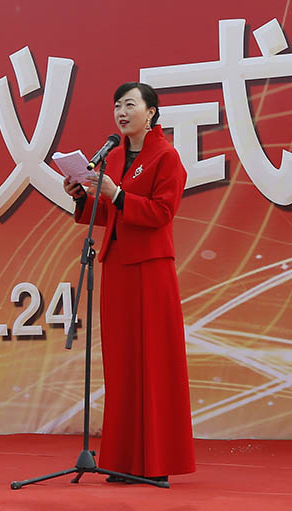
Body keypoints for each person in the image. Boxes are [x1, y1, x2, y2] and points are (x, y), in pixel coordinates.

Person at [63, 82, 195, 482]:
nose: (121, 112)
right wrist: (82, 198)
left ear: (151, 111)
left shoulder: (166, 156)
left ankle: (155, 464)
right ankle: (122, 461)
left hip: (151, 268)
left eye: (130, 104)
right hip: (117, 266)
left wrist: (118, 194)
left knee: (153, 361)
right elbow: (108, 214)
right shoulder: (115, 155)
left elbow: (162, 213)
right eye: (117, 105)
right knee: (121, 364)